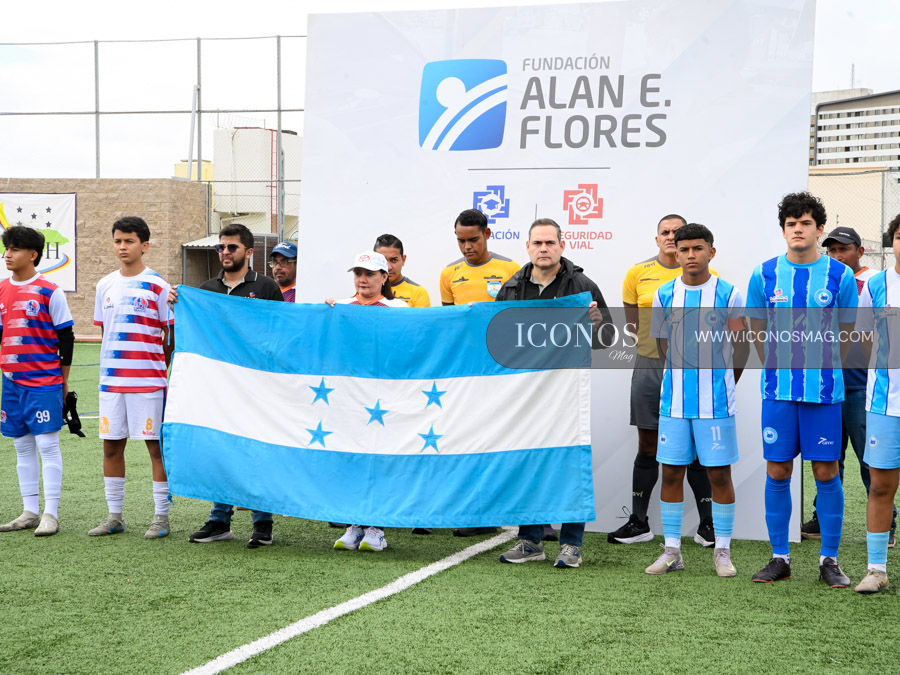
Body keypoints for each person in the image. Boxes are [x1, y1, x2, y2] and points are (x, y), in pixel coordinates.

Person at [746, 192, 857, 587]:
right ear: (783, 230)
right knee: (778, 469)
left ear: (819, 229)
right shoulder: (764, 274)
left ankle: (829, 560)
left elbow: (847, 333)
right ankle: (780, 557)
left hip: (823, 392)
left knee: (826, 471)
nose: (797, 229)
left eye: (805, 223)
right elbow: (757, 330)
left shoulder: (840, 276)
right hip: (778, 390)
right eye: (791, 223)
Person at [494, 218, 613, 568]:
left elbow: (606, 340)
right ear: (527, 248)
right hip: (525, 393)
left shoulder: (582, 284)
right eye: (537, 243)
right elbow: (495, 337)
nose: (543, 249)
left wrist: (598, 325)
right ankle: (530, 540)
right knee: (528, 461)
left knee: (569, 463)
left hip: (567, 392)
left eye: (550, 243)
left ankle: (571, 543)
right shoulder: (512, 287)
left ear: (562, 245)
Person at [643, 224, 749, 577]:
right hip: (674, 404)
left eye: (697, 249)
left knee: (719, 475)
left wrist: (723, 384)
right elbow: (661, 345)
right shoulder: (664, 293)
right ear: (675, 253)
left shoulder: (728, 294)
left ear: (711, 253)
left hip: (715, 405)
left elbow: (742, 346)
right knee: (671, 473)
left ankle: (722, 551)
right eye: (683, 249)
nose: (690, 255)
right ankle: (672, 551)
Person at [169, 223, 283, 548]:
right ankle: (220, 520)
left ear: (248, 252)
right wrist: (180, 301)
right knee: (221, 447)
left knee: (258, 448)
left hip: (258, 386)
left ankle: (263, 524)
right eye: (221, 247)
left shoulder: (266, 287)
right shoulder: (205, 289)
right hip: (218, 387)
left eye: (231, 247)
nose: (225, 253)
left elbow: (281, 332)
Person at [610, 214, 715, 547]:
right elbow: (632, 325)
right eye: (665, 232)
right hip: (649, 367)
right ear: (657, 239)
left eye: (676, 232)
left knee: (696, 448)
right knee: (648, 446)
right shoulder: (636, 274)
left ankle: (707, 525)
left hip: (692, 371)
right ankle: (639, 522)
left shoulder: (709, 278)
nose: (671, 237)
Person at [801, 226, 896, 545]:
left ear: (860, 251)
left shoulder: (874, 283)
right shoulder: (822, 281)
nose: (837, 255)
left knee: (872, 460)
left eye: (843, 249)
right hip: (826, 387)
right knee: (827, 459)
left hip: (861, 388)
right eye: (832, 250)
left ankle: (888, 522)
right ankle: (824, 518)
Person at [89, 216, 174, 539]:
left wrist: (158, 368)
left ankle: (161, 517)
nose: (122, 247)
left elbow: (170, 335)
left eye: (129, 241)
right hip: (111, 384)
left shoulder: (158, 286)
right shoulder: (104, 285)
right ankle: (114, 516)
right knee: (111, 448)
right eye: (117, 241)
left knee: (155, 449)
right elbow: (104, 332)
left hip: (148, 383)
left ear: (145, 245)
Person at [439, 208, 521, 536]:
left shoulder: (511, 269)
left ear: (488, 234)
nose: (467, 247)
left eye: (473, 239)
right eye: (461, 241)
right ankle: (478, 514)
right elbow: (449, 326)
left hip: (503, 368)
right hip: (467, 371)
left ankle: (533, 519)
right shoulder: (448, 274)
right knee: (472, 438)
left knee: (512, 438)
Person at [326, 250, 407, 552]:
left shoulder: (398, 309)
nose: (363, 279)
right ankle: (354, 524)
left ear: (384, 277)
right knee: (352, 458)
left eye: (370, 274)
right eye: (358, 273)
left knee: (378, 459)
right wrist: (324, 314)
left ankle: (376, 527)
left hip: (385, 399)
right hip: (348, 398)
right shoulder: (340, 307)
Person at [0, 226, 74, 537]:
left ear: (32, 255)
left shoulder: (50, 290)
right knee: (22, 447)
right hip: (11, 383)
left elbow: (66, 337)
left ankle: (51, 514)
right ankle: (29, 510)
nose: (8, 254)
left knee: (47, 444)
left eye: (15, 249)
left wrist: (64, 381)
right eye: (6, 248)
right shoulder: (1, 288)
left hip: (43, 382)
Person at [854, 212, 900, 593]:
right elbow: (866, 338)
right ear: (892, 241)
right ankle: (876, 570)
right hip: (885, 404)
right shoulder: (878, 284)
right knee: (881, 486)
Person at [374, 234, 431, 307]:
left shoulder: (418, 293)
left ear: (403, 260)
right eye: (382, 261)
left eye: (393, 260)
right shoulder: (365, 290)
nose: (388, 267)